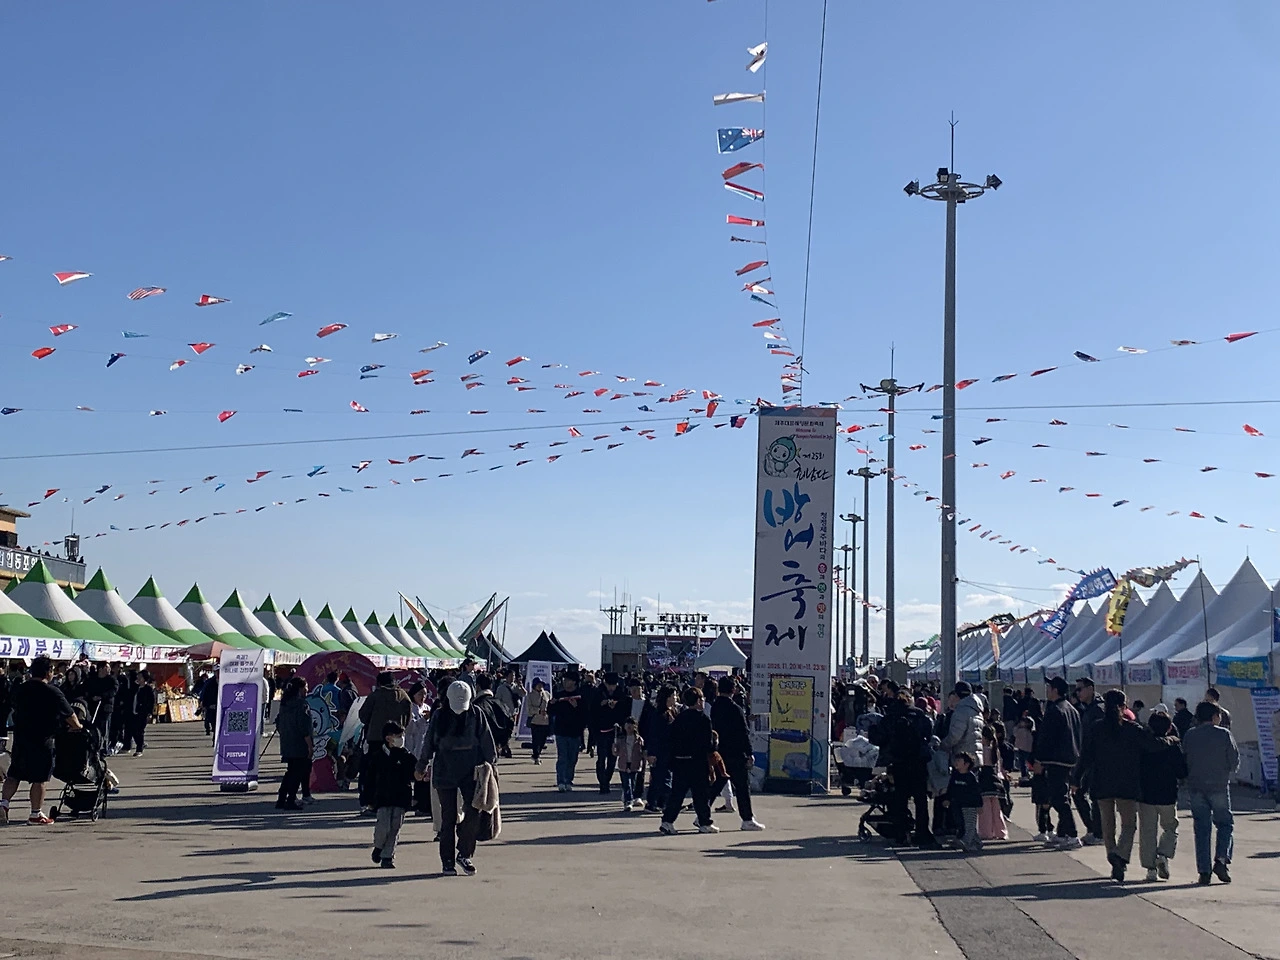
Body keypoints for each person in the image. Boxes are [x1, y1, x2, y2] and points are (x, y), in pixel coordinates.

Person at [1077, 689, 1161, 882]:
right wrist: (1170, 739)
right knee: (1129, 825)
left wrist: (1076, 778)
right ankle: (1121, 855)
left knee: (1108, 826)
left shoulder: (1096, 728)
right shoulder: (1133, 729)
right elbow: (1152, 745)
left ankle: (1113, 856)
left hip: (1101, 782)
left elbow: (1086, 755)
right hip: (1127, 783)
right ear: (1124, 706)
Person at [415, 682, 496, 876]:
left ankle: (464, 853)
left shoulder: (476, 714)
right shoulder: (439, 715)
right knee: (448, 818)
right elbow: (429, 742)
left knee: (474, 811)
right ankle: (447, 861)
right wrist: (421, 765)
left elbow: (487, 740)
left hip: (471, 771)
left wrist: (491, 764)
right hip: (445, 770)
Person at [0, 656, 82, 825]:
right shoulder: (52, 691)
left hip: (21, 737)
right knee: (40, 777)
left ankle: (4, 804)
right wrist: (78, 726)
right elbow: (70, 715)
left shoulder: (20, 689)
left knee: (14, 774)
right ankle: (35, 813)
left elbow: (12, 707)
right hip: (43, 739)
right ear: (48, 672)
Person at [1182, 700, 1239, 885]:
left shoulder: (1190, 735)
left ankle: (1204, 871)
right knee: (1225, 824)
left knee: (1201, 828)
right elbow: (1234, 762)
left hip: (1196, 786)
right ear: (1215, 716)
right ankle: (1221, 859)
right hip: (1219, 785)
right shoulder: (1224, 734)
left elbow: (1185, 759)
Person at [878, 683, 932, 846]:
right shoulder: (919, 714)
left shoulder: (891, 715)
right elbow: (928, 734)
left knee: (900, 800)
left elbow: (881, 737)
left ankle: (902, 834)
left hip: (898, 762)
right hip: (918, 762)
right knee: (920, 800)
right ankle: (922, 833)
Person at [659, 687, 719, 835]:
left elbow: (671, 740)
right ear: (698, 701)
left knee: (677, 794)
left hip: (679, 761)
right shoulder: (703, 719)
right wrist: (715, 744)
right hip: (697, 762)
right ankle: (704, 822)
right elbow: (707, 744)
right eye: (702, 699)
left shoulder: (680, 718)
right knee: (701, 794)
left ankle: (667, 821)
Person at [710, 675, 765, 831]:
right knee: (742, 787)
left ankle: (702, 815)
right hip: (736, 753)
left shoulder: (715, 707)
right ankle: (747, 819)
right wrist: (749, 753)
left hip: (720, 752)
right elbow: (743, 733)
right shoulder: (735, 708)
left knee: (716, 785)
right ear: (733, 690)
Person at [1034, 676, 1082, 849]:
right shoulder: (1072, 709)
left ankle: (1072, 835)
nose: (1047, 690)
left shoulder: (1054, 710)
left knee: (1058, 798)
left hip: (1056, 760)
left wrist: (1039, 759)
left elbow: (1046, 738)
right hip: (1070, 758)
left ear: (1055, 690)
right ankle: (1062, 834)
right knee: (1062, 796)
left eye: (1049, 687)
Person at [1138, 711, 1186, 882]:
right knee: (1171, 827)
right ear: (1169, 727)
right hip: (1167, 794)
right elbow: (1182, 771)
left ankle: (1150, 869)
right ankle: (1163, 854)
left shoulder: (1142, 745)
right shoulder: (1173, 745)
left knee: (1147, 832)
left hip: (1146, 794)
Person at [358, 672, 411, 813]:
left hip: (376, 738)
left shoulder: (375, 696)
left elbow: (363, 716)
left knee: (372, 773)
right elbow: (408, 718)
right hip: (396, 739)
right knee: (395, 773)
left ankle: (371, 803)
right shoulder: (403, 696)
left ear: (379, 683)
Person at [366, 720, 415, 869]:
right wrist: (368, 799)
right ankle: (379, 847)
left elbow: (415, 772)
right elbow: (369, 779)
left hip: (401, 797)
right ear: (388, 738)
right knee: (383, 827)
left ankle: (388, 856)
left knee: (395, 827)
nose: (401, 739)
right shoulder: (377, 756)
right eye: (398, 736)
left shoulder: (405, 755)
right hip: (382, 798)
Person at [1072, 676, 1106, 846]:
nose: (1077, 693)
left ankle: (1098, 833)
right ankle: (1093, 829)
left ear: (1090, 689)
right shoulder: (1088, 708)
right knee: (1080, 793)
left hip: (1096, 760)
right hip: (1088, 759)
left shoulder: (1098, 710)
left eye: (1080, 689)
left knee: (1094, 797)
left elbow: (1094, 740)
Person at [274, 677, 314, 811]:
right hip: (300, 744)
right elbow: (304, 728)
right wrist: (310, 746)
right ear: (300, 689)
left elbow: (278, 722)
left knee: (290, 771)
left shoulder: (285, 704)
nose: (307, 690)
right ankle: (291, 799)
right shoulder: (302, 705)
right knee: (298, 773)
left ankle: (281, 798)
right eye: (305, 687)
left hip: (287, 742)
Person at [549, 670, 588, 792]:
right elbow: (551, 712)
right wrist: (551, 704)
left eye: (567, 680)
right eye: (564, 680)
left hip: (575, 732)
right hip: (561, 731)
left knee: (572, 758)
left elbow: (585, 714)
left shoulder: (581, 696)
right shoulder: (559, 694)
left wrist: (576, 707)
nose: (565, 682)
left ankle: (569, 780)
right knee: (562, 757)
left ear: (574, 682)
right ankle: (561, 781)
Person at [590, 673, 627, 794]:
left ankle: (606, 781)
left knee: (612, 759)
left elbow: (624, 711)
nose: (611, 688)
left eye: (614, 685)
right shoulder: (598, 693)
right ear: (605, 683)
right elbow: (592, 711)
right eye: (609, 685)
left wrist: (616, 705)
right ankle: (603, 783)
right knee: (601, 758)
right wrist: (601, 704)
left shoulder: (621, 693)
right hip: (600, 731)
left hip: (615, 731)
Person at [644, 685, 677, 813]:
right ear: (667, 697)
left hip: (669, 751)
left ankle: (659, 803)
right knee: (662, 779)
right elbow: (653, 734)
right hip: (660, 751)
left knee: (661, 778)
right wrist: (651, 753)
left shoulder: (672, 711)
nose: (676, 698)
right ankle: (660, 804)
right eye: (674, 695)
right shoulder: (658, 714)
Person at [405, 682, 432, 817]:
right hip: (412, 746)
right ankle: (411, 800)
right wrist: (423, 719)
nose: (423, 697)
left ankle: (419, 801)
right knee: (412, 775)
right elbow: (411, 728)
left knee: (422, 777)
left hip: (424, 747)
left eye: (425, 694)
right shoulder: (410, 708)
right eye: (420, 694)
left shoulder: (427, 707)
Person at [946, 752, 983, 852]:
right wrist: (947, 799)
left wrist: (979, 805)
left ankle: (966, 842)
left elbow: (976, 792)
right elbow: (951, 789)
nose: (956, 762)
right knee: (963, 824)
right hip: (958, 804)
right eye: (956, 760)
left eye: (959, 761)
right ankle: (976, 842)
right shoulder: (955, 776)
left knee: (970, 824)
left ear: (966, 764)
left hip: (970, 805)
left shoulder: (970, 777)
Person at [978, 724, 1008, 841]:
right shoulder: (995, 750)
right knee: (997, 810)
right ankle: (1001, 832)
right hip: (996, 781)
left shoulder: (982, 751)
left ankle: (986, 832)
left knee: (985, 810)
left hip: (985, 781)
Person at [473, 674, 514, 750]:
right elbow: (510, 721)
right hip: (496, 745)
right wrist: (503, 742)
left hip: (479, 746)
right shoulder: (501, 704)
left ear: (477, 686)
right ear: (491, 686)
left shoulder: (475, 706)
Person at [614, 716, 646, 812]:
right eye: (627, 724)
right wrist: (614, 748)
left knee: (632, 783)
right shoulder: (621, 739)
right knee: (626, 783)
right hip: (623, 764)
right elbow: (616, 753)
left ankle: (629, 798)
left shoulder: (639, 740)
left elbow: (642, 753)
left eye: (631, 724)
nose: (629, 726)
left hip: (634, 764)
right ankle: (628, 801)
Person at [120, 671, 156, 757]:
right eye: (138, 677)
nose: (138, 678)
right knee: (131, 730)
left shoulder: (148, 689)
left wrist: (150, 713)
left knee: (139, 731)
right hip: (132, 712)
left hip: (142, 713)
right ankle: (129, 746)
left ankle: (139, 749)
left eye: (140, 677)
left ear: (144, 678)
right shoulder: (135, 687)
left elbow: (151, 702)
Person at [84, 662, 117, 743]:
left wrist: (102, 696)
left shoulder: (112, 680)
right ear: (100, 669)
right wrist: (92, 697)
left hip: (106, 707)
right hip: (93, 707)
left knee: (104, 727)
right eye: (107, 667)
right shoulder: (92, 679)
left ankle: (104, 744)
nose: (109, 669)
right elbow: (87, 690)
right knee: (93, 725)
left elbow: (113, 691)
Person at [493, 670, 522, 758]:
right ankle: (505, 748)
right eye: (511, 676)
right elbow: (497, 699)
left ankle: (504, 747)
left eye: (513, 676)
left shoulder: (516, 687)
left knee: (510, 731)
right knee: (506, 731)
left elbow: (524, 694)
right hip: (504, 713)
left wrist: (521, 686)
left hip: (514, 713)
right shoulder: (501, 688)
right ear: (506, 677)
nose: (512, 678)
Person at [525, 678, 551, 764]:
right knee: (536, 740)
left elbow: (550, 705)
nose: (540, 686)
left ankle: (537, 754)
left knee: (543, 740)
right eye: (538, 684)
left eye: (541, 684)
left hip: (545, 721)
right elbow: (529, 709)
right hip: (535, 721)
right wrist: (539, 711)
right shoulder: (530, 695)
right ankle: (536, 756)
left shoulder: (547, 694)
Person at [199, 668, 220, 737]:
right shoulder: (209, 682)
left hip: (221, 706)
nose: (218, 673)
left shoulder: (225, 681)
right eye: (217, 671)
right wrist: (204, 704)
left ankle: (216, 737)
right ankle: (210, 732)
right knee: (211, 721)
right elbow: (204, 693)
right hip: (211, 705)